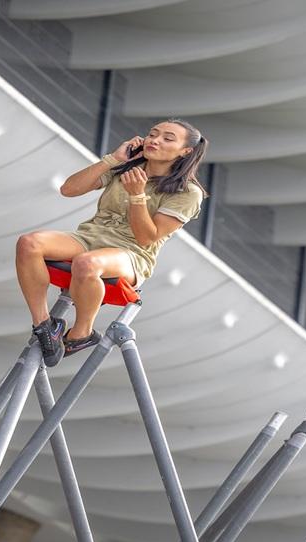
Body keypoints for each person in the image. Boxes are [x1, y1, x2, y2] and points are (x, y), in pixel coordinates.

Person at [16, 119, 208, 366]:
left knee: (87, 264)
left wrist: (137, 195)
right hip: (90, 236)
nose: (155, 140)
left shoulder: (188, 192)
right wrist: (113, 159)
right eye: (152, 134)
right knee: (29, 243)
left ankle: (81, 333)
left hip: (132, 253)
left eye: (167, 138)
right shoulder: (126, 167)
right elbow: (69, 189)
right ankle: (44, 325)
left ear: (185, 151)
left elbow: (147, 238)